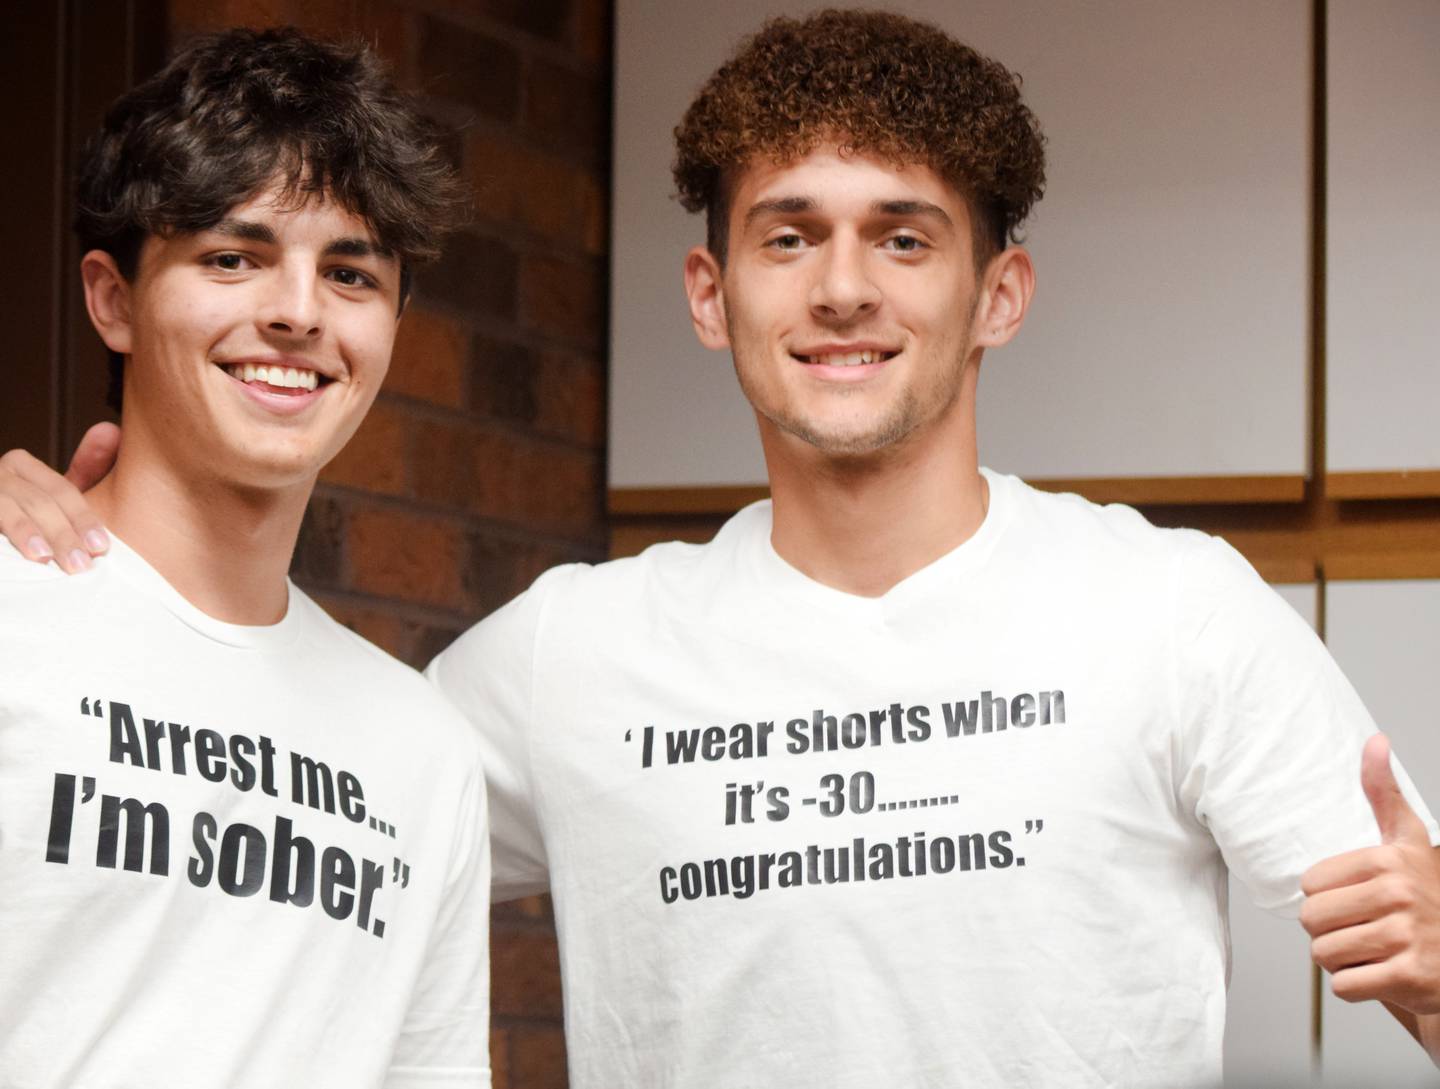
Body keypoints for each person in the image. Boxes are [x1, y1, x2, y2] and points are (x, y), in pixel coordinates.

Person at [5, 10, 1440, 1087]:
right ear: (709, 291)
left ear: (999, 293)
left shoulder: (1172, 615)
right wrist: (82, 552)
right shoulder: (558, 662)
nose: (840, 289)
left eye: (904, 238)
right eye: (786, 236)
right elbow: (263, 761)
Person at [0, 27, 491, 1087]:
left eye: (351, 274)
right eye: (234, 258)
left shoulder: (423, 752)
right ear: (114, 298)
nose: (297, 314)